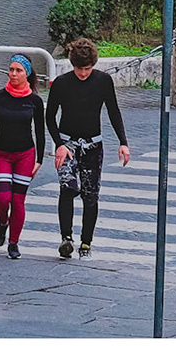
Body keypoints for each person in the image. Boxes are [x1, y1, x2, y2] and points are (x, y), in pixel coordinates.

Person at [46, 37, 129, 259]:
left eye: (87, 69)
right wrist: (60, 144)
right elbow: (50, 117)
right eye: (79, 69)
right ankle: (66, 238)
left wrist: (123, 142)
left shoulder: (103, 81)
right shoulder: (62, 83)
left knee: (90, 195)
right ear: (72, 65)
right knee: (68, 187)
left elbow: (113, 111)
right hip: (68, 144)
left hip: (93, 145)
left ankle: (86, 242)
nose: (83, 73)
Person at [0, 54, 47, 259]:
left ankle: (14, 243)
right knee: (2, 198)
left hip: (25, 155)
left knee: (18, 201)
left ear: (27, 73)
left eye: (18, 70)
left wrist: (39, 159)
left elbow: (40, 132)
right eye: (11, 69)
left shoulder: (35, 101)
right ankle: (3, 222)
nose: (13, 74)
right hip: (2, 154)